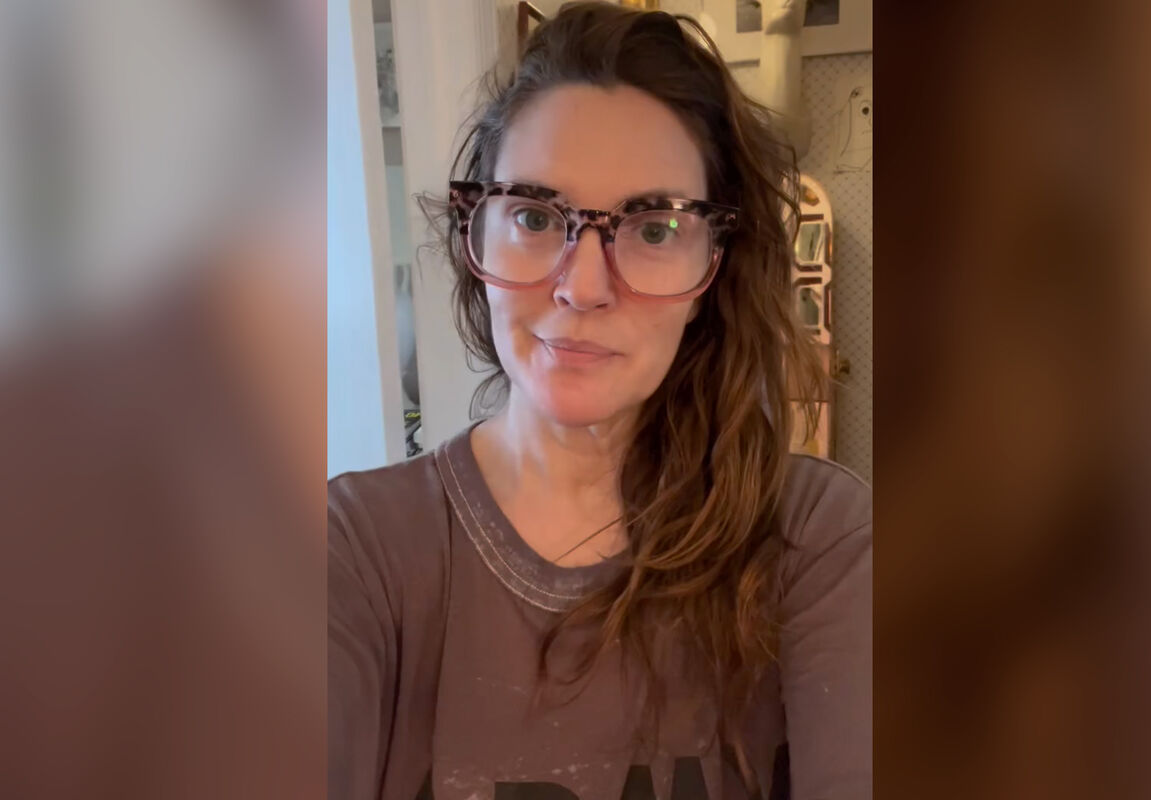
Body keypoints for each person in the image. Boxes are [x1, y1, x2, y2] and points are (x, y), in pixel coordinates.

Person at [329, 4, 870, 798]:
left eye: (653, 229)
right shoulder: (352, 552)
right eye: (534, 216)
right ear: (475, 236)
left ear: (715, 266)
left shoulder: (816, 539)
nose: (582, 287)